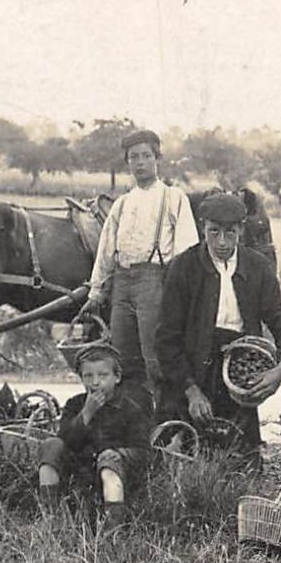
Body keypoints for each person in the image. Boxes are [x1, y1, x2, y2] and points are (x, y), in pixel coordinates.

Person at [156, 191, 281, 460]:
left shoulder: (257, 267)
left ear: (242, 230)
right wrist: (191, 391)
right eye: (214, 232)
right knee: (185, 457)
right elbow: (166, 340)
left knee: (242, 463)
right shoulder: (183, 268)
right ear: (203, 228)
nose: (222, 242)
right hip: (192, 371)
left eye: (230, 232)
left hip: (238, 371)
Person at [82, 128, 199, 397]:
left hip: (155, 281)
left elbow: (186, 250)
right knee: (122, 356)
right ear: (128, 162)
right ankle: (131, 417)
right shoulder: (122, 203)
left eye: (146, 155)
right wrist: (96, 291)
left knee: (154, 357)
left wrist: (179, 291)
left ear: (157, 158)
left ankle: (162, 417)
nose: (140, 162)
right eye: (134, 157)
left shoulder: (173, 197)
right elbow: (106, 251)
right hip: (122, 283)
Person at [37, 344, 155, 529]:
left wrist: (122, 454)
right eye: (88, 376)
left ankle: (112, 529)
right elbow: (66, 440)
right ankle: (53, 517)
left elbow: (144, 451)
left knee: (108, 466)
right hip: (81, 466)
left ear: (117, 377)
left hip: (114, 469)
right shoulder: (75, 404)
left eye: (103, 375)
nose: (95, 382)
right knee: (51, 445)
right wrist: (86, 413)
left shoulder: (130, 409)